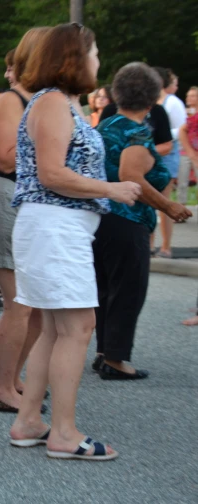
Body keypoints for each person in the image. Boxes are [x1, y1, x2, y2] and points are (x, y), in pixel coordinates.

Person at [7, 23, 141, 461]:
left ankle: (29, 420)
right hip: (54, 227)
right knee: (79, 327)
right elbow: (52, 174)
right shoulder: (52, 104)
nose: (98, 61)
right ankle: (63, 433)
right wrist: (113, 188)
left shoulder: (59, 103)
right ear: (72, 57)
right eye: (94, 53)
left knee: (54, 328)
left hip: (55, 228)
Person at [94, 62, 192, 381]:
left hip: (99, 219)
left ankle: (104, 351)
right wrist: (170, 206)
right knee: (128, 290)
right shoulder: (136, 131)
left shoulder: (105, 126)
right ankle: (116, 359)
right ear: (153, 99)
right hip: (127, 218)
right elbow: (130, 176)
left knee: (105, 288)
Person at [0, 27, 51, 414]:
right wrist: (55, 163)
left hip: (26, 201)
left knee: (33, 305)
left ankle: (15, 379)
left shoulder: (43, 99)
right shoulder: (10, 99)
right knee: (18, 303)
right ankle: (1, 388)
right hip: (3, 196)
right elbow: (3, 157)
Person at [153, 67, 187, 258]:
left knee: (164, 201)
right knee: (148, 201)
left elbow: (180, 128)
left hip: (166, 154)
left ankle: (166, 246)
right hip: (151, 154)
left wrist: (161, 136)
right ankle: (150, 244)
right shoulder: (150, 101)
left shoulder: (173, 102)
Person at [176, 86, 198, 204]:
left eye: (193, 95)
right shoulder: (183, 113)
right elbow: (181, 130)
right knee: (182, 181)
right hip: (185, 150)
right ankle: (181, 207)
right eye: (188, 95)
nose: (189, 98)